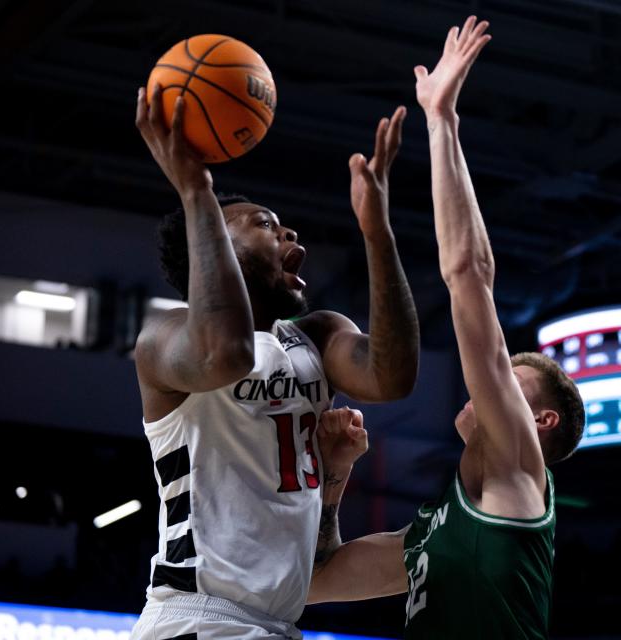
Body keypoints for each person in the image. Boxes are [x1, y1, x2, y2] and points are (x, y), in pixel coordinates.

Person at [306, 17, 585, 639]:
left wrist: (443, 120)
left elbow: (468, 275)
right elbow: (314, 582)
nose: (485, 383)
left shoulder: (519, 472)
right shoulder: (433, 528)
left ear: (538, 423)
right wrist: (334, 477)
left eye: (510, 380)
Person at [128, 83, 420, 639]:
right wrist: (197, 196)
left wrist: (377, 232)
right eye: (263, 223)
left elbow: (392, 375)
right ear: (215, 244)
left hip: (277, 625)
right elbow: (226, 353)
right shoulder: (164, 336)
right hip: (197, 619)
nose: (286, 230)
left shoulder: (318, 335)